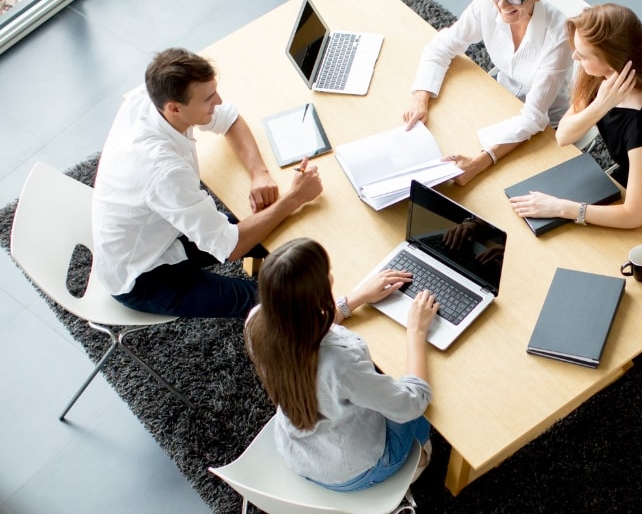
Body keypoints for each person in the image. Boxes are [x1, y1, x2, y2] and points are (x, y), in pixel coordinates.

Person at [92, 48, 323, 320]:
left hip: (166, 230)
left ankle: (268, 265)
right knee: (277, 301)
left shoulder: (152, 98)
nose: (219, 101)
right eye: (208, 99)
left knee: (280, 233)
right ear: (175, 108)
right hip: (143, 276)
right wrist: (294, 198)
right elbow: (230, 246)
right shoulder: (163, 171)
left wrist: (259, 173)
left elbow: (230, 119)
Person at [508, 4, 642, 247]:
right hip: (632, 182)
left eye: (583, 55)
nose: (575, 57)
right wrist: (600, 106)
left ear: (611, 59)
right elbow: (563, 136)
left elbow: (633, 216)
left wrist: (561, 207)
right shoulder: (599, 80)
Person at [245, 238, 438, 490]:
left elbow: (302, 326)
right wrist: (416, 331)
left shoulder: (256, 322)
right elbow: (412, 402)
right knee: (427, 416)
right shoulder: (340, 362)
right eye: (327, 273)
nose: (332, 277)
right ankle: (417, 462)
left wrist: (355, 299)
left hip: (297, 451)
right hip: (352, 471)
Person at [402, 0, 573, 186]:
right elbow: (442, 45)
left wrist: (479, 163)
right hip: (499, 95)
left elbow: (533, 118)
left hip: (545, 126)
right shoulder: (489, 1)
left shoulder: (558, 36)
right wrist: (421, 98)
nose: (501, 5)